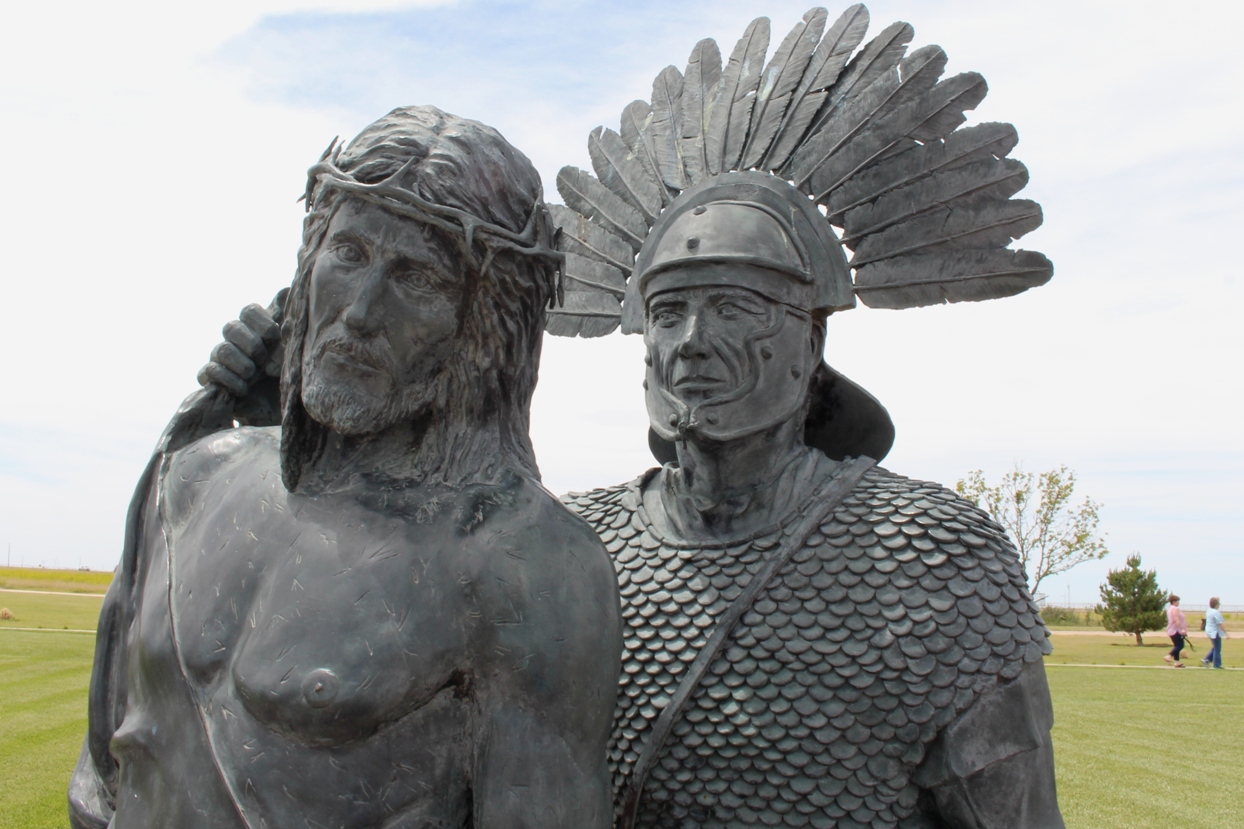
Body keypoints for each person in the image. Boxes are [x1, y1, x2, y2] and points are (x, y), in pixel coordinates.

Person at [69, 106, 622, 829]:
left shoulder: (526, 565)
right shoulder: (191, 477)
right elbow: (105, 775)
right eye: (349, 253)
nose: (361, 311)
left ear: (482, 324)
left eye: (416, 278)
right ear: (309, 259)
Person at [1202, 597, 1227, 669]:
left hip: (1209, 631)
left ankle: (1206, 659)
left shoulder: (1209, 611)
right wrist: (1226, 633)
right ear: (1216, 604)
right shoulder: (1216, 612)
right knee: (1217, 648)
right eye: (1219, 603)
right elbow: (1220, 623)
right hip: (1214, 632)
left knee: (1215, 647)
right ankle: (1217, 665)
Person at [1164, 594, 1188, 667]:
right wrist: (1182, 629)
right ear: (1174, 601)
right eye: (1177, 601)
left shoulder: (1169, 609)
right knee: (1181, 645)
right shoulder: (1175, 609)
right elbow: (1176, 619)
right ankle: (1169, 656)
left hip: (1171, 630)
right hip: (1176, 630)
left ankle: (1177, 662)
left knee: (1176, 646)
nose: (1178, 603)